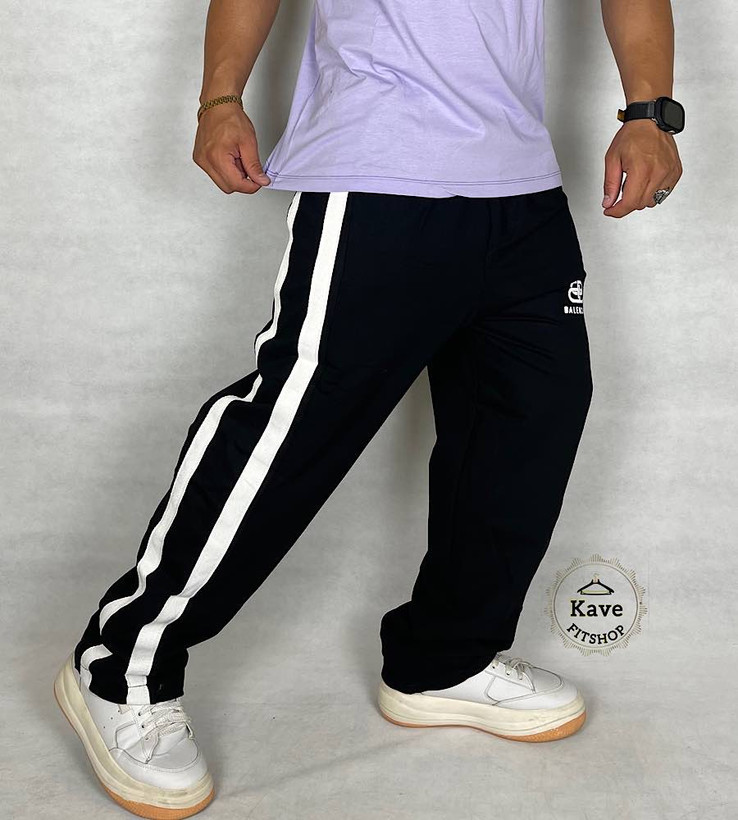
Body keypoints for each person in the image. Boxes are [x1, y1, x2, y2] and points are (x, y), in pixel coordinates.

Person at [54, 0, 684, 817]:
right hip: (379, 171)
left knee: (530, 418)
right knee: (292, 428)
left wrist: (649, 112)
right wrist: (220, 99)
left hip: (522, 182)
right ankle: (120, 667)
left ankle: (443, 660)